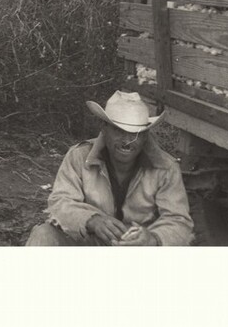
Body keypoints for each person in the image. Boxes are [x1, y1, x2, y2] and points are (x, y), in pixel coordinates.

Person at [26, 90, 194, 246]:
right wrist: (92, 220)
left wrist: (153, 239)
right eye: (118, 131)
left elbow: (179, 222)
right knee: (43, 234)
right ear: (104, 129)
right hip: (88, 243)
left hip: (138, 253)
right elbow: (59, 203)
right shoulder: (78, 156)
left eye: (135, 134)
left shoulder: (166, 167)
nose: (127, 140)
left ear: (145, 136)